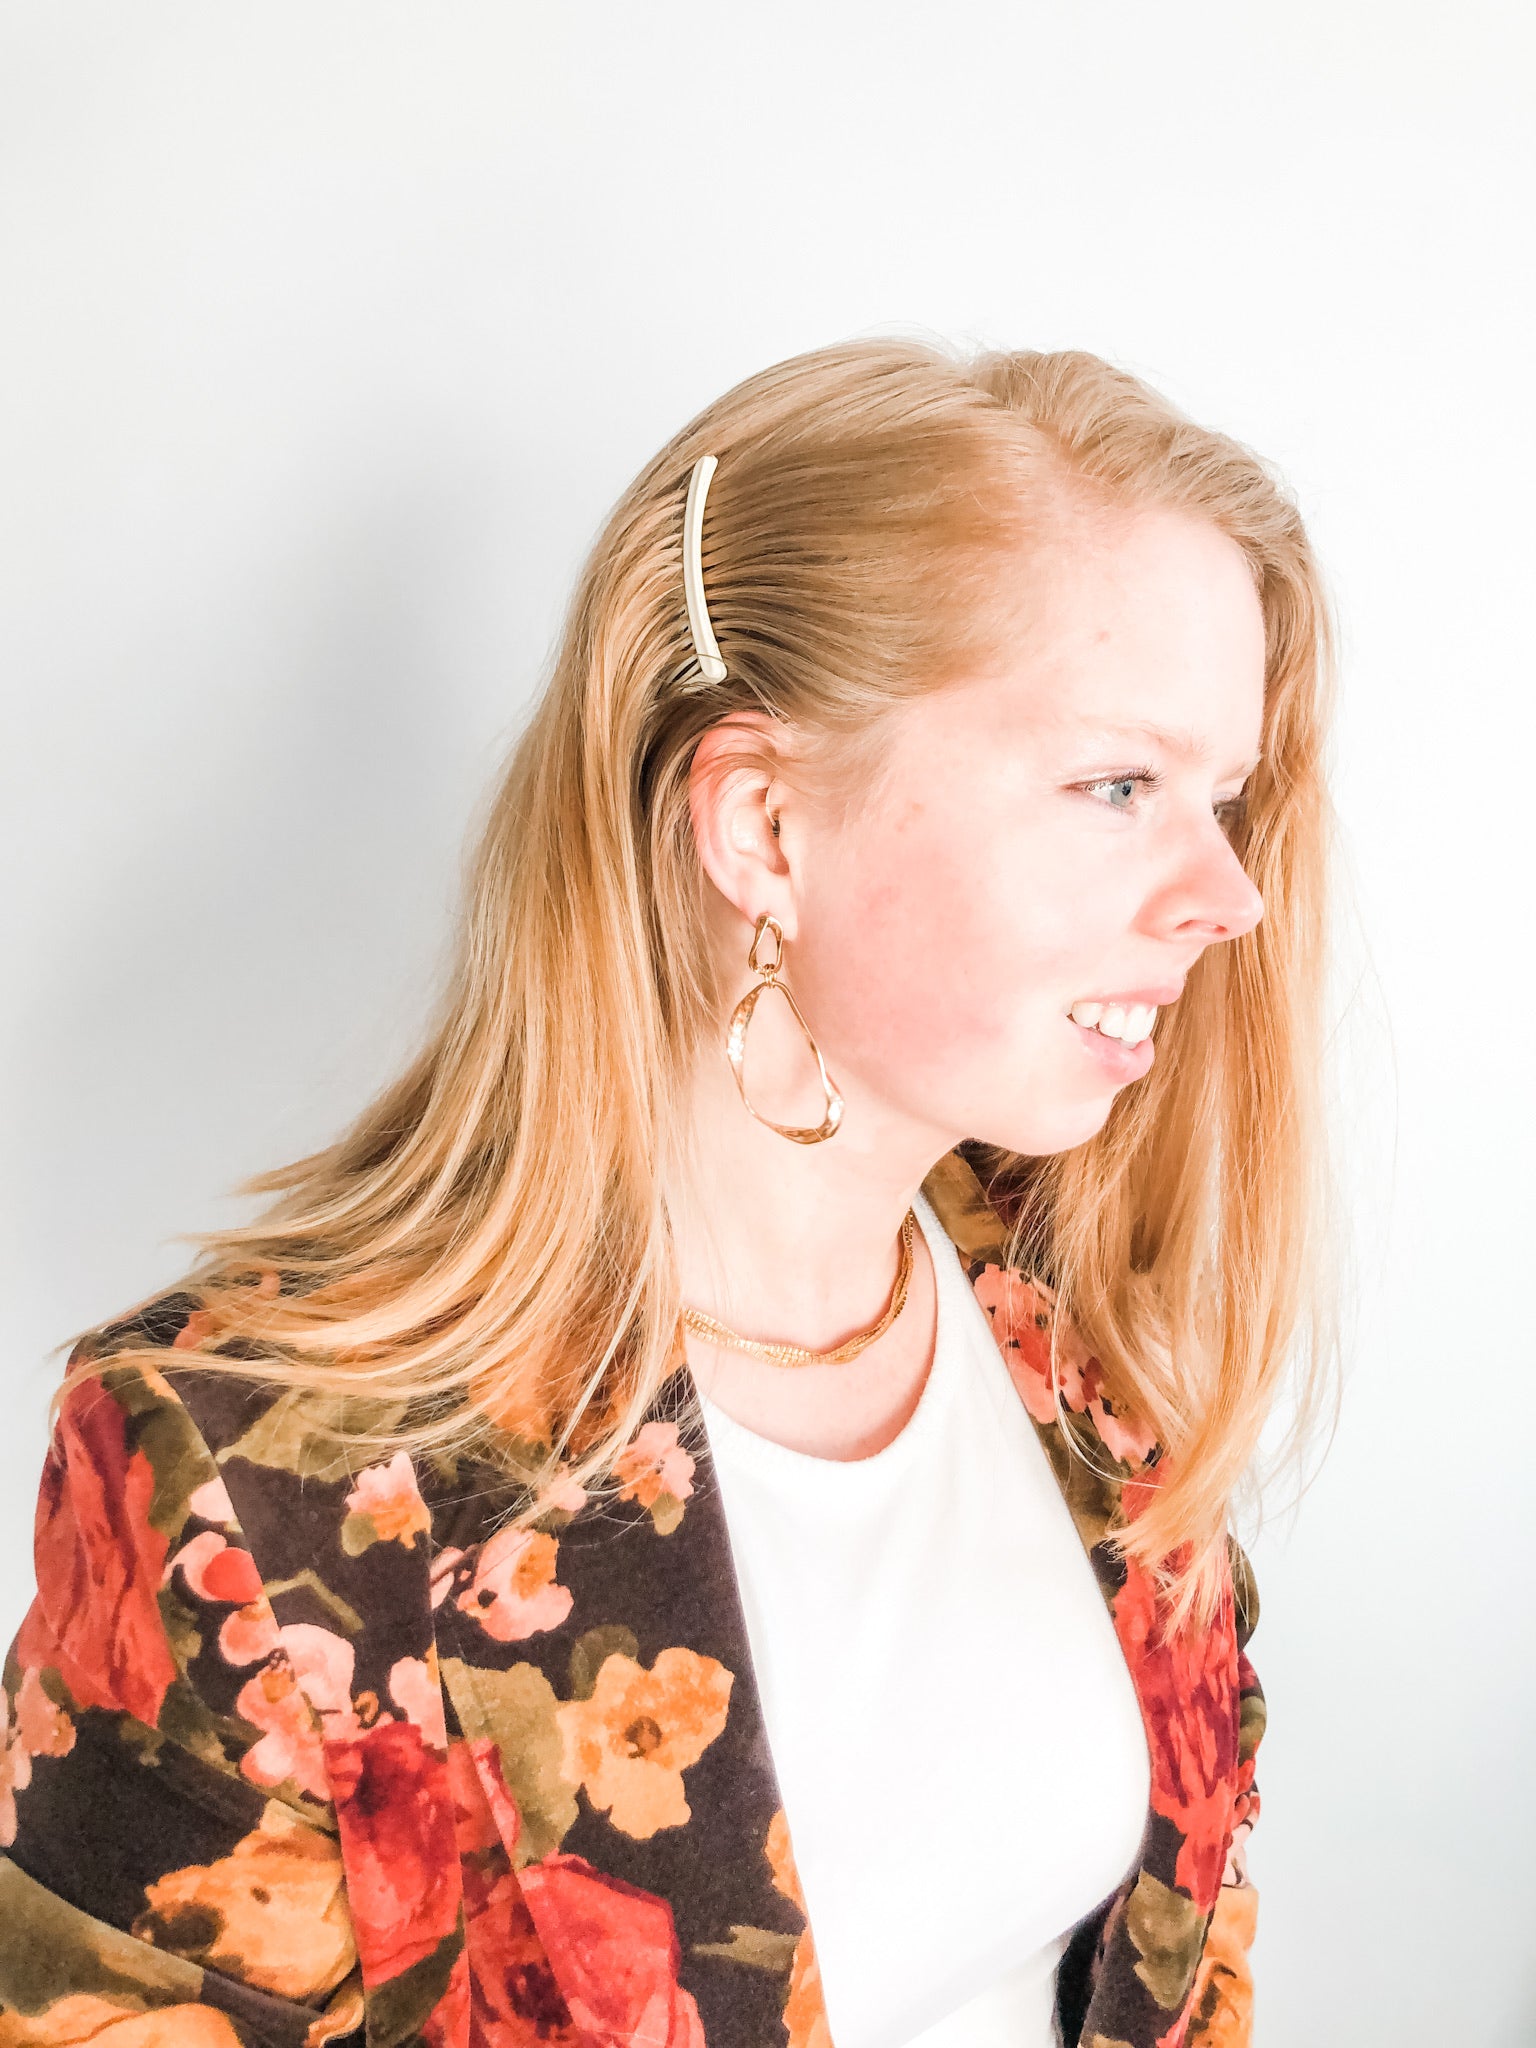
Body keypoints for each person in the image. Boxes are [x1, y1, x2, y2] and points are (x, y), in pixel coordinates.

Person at [0, 338, 1340, 2048]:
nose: (1229, 893)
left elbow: (1179, 1966)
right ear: (764, 827)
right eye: (1117, 786)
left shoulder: (1070, 1330)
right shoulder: (252, 1484)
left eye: (1222, 799)